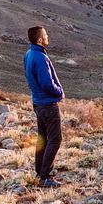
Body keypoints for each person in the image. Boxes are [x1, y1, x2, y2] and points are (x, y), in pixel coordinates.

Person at [24, 26, 64, 187]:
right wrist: (58, 92)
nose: (48, 37)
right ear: (40, 40)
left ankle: (40, 170)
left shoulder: (29, 54)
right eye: (45, 35)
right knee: (55, 139)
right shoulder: (40, 57)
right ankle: (45, 177)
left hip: (38, 102)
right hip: (47, 103)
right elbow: (46, 82)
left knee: (43, 138)